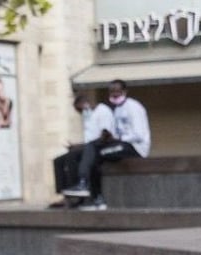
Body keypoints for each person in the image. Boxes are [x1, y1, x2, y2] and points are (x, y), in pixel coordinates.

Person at [62, 79, 151, 209]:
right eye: (111, 91)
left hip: (136, 147)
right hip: (120, 143)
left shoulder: (133, 107)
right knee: (92, 152)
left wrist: (117, 137)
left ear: (124, 91)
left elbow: (139, 134)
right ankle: (97, 198)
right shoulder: (116, 109)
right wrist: (108, 137)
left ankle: (86, 186)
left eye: (117, 91)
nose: (114, 94)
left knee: (95, 153)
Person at [52, 93, 115, 208]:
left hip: (101, 146)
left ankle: (77, 193)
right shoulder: (88, 116)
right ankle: (64, 193)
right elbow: (89, 140)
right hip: (89, 146)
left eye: (80, 110)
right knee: (58, 161)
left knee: (72, 157)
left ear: (85, 104)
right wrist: (77, 146)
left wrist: (81, 147)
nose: (81, 114)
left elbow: (105, 135)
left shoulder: (102, 111)